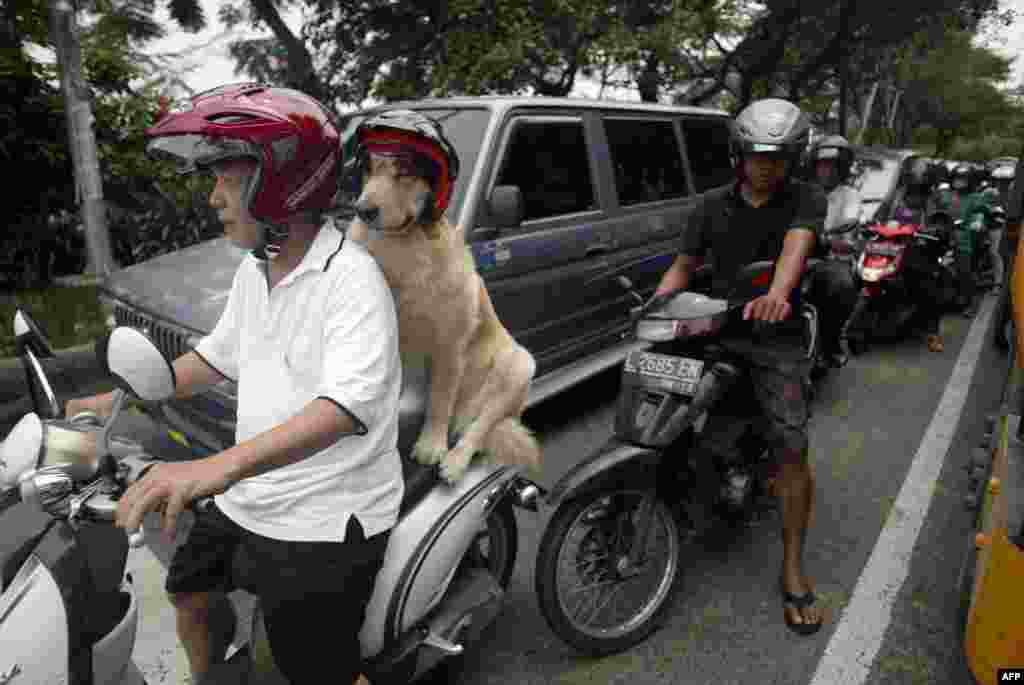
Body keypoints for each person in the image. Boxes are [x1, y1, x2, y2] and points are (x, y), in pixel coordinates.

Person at [65, 83, 403, 685]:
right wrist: (128, 393)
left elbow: (343, 408)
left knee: (317, 668)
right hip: (252, 493)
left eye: (227, 179)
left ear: (280, 183)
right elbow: (215, 359)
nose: (214, 197)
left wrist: (214, 468)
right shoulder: (258, 271)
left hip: (324, 513)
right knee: (189, 592)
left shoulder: (352, 280)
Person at [655, 97, 824, 636]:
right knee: (660, 404)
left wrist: (778, 294)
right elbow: (681, 267)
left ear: (793, 159)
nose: (766, 165)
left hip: (775, 338)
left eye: (778, 156)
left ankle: (793, 565)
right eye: (757, 155)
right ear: (739, 154)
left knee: (792, 445)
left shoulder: (805, 198)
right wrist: (655, 309)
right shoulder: (709, 205)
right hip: (712, 325)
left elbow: (796, 247)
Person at [875, 157, 946, 352]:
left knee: (929, 283)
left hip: (919, 250)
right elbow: (880, 214)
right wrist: (871, 223)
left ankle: (933, 333)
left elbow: (940, 222)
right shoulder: (897, 195)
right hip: (889, 247)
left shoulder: (933, 198)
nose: (915, 180)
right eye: (912, 175)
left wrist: (932, 230)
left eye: (919, 176)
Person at [807, 134, 861, 365]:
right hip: (798, 253)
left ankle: (831, 341)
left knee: (842, 286)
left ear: (842, 169)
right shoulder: (803, 192)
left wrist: (828, 235)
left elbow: (850, 222)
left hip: (831, 257)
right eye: (822, 165)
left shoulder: (850, 196)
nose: (826, 171)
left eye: (832, 166)